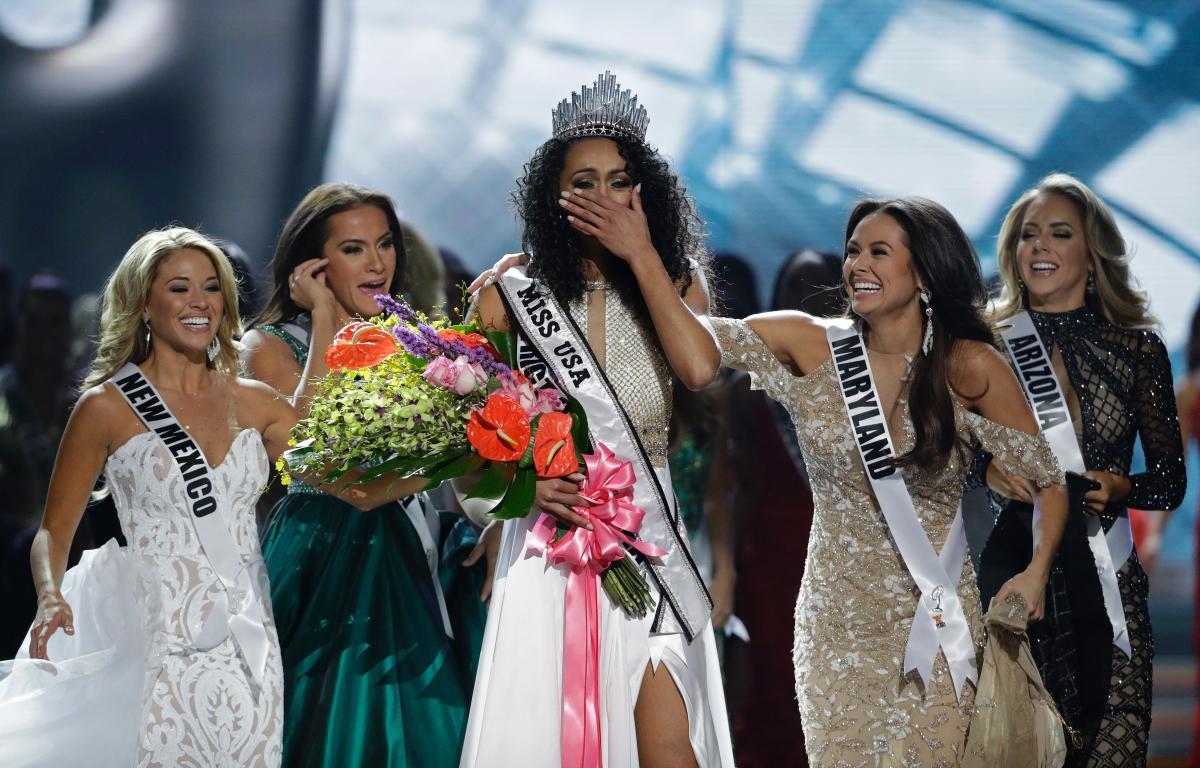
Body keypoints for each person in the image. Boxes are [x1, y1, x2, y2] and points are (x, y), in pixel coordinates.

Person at [701, 198, 1069, 764]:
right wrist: (630, 265)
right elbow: (699, 340)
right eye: (852, 250)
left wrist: (1038, 572)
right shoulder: (811, 342)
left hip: (936, 620)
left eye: (878, 251)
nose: (857, 264)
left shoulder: (968, 365)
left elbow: (1050, 481)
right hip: (834, 629)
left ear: (922, 271)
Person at [462, 71, 734, 767]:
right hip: (552, 541)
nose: (604, 197)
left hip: (651, 536)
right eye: (584, 182)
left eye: (619, 180)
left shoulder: (676, 283)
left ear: (645, 192)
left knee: (670, 748)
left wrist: (642, 254)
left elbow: (701, 371)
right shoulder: (510, 299)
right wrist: (515, 491)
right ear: (555, 198)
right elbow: (463, 447)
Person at [0, 227, 298, 765]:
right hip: (154, 637)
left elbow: (344, 479)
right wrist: (49, 595)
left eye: (210, 287)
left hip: (246, 639)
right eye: (179, 288)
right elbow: (54, 530)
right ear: (143, 304)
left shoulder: (257, 403)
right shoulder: (106, 406)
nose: (198, 302)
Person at [241, 182, 488, 768]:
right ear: (313, 264)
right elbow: (315, 451)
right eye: (354, 249)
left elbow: (459, 472)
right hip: (323, 554)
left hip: (414, 542)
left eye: (385, 244)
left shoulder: (412, 345)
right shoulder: (267, 347)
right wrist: (324, 314)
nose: (378, 263)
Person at [976, 173, 1186, 766]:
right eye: (1028, 235)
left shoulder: (1138, 350)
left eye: (1059, 234)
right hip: (1013, 581)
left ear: (1092, 255)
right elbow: (944, 457)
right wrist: (987, 470)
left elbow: (1171, 481)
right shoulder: (984, 343)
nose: (1039, 246)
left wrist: (1123, 486)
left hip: (1107, 580)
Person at [725, 248, 840, 768]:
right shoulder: (746, 395)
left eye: (823, 288)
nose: (809, 301)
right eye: (797, 288)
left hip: (849, 571)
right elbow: (733, 490)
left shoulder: (870, 390)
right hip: (772, 570)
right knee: (777, 690)